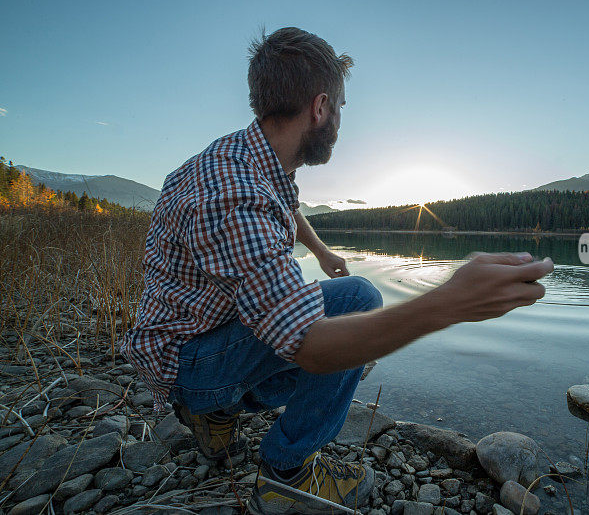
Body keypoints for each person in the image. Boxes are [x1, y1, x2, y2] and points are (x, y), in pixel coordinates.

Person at [121, 26, 554, 515]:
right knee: (358, 305)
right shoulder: (235, 195)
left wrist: (323, 252)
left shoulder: (242, 156)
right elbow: (308, 345)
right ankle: (286, 472)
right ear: (320, 107)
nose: (342, 121)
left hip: (190, 339)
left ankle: (216, 415)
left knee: (348, 334)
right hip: (189, 366)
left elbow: (285, 205)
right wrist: (449, 303)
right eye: (342, 108)